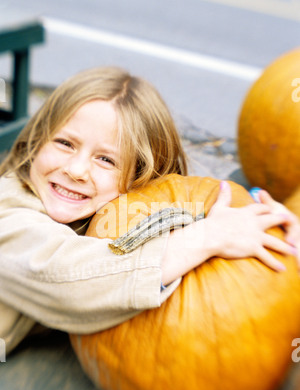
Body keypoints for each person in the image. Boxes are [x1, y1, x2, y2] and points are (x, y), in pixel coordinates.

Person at [0, 66, 299, 355]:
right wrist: (206, 237)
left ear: (139, 179)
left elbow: (176, 211)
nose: (76, 169)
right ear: (37, 142)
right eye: (65, 143)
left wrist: (272, 226)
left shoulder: (100, 210)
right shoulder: (8, 214)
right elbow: (66, 278)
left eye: (106, 160)